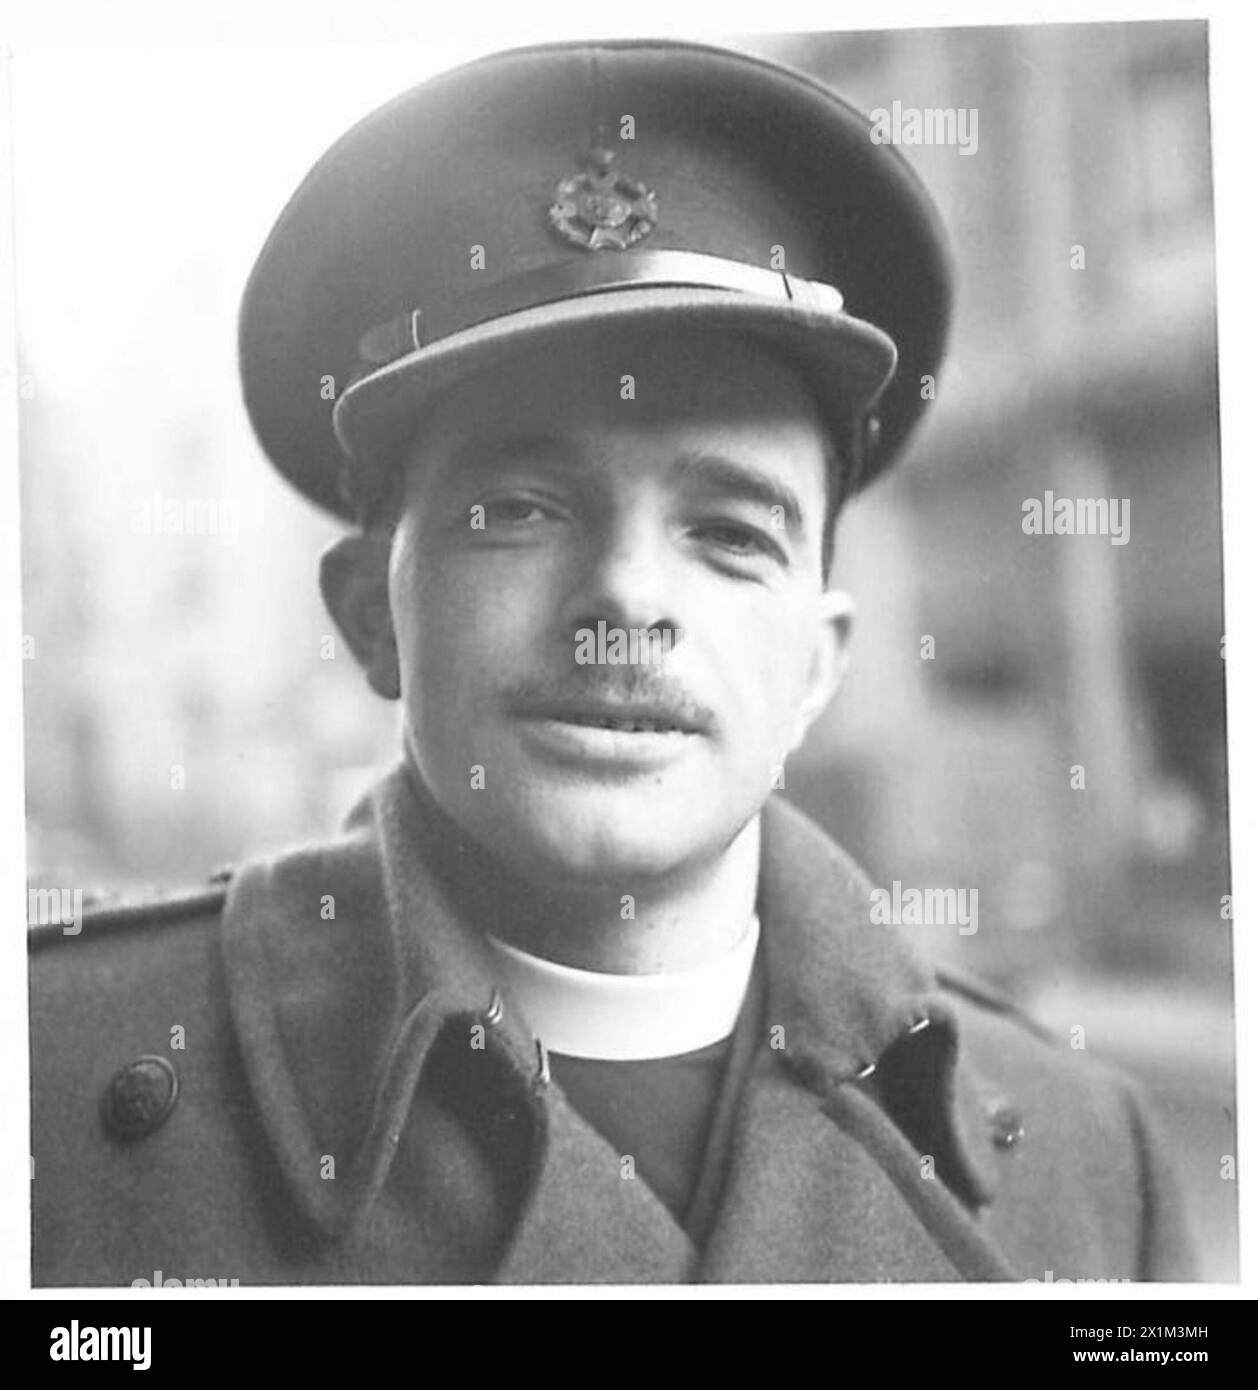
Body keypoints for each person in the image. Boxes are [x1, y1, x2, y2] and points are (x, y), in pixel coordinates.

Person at [29, 37, 1196, 1285]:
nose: (626, 599)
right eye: (520, 509)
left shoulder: (1084, 1160)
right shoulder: (48, 1073)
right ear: (372, 613)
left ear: (817, 665)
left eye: (731, 532)